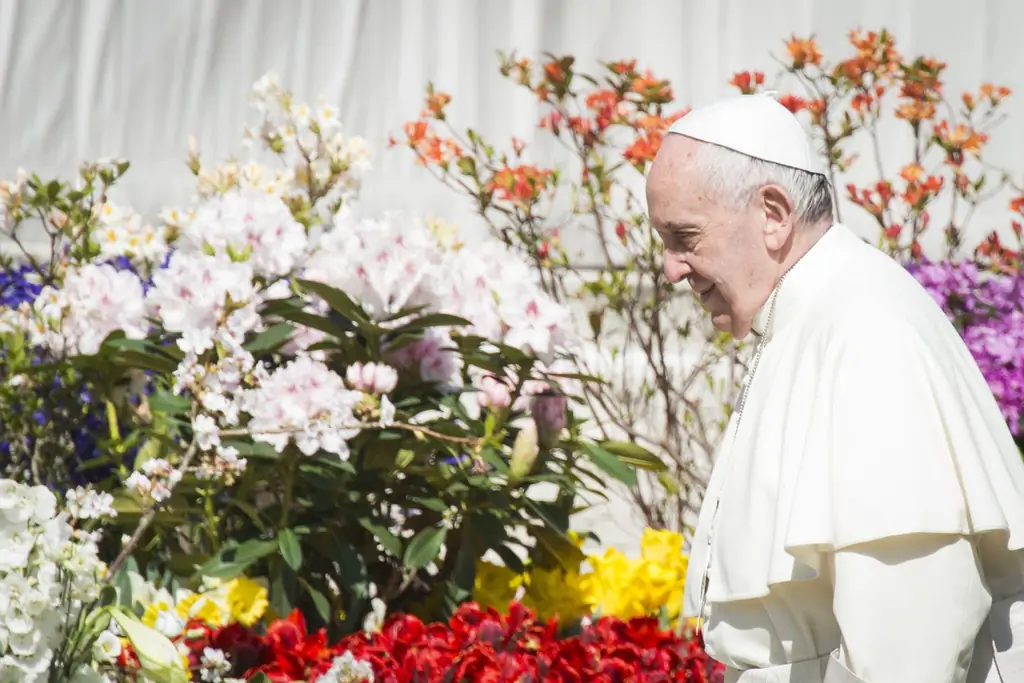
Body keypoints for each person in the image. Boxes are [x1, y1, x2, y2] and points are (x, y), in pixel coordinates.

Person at [645, 92, 1024, 683]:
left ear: (773, 213)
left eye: (683, 237)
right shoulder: (813, 317)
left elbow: (914, 634)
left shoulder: (867, 330)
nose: (670, 268)